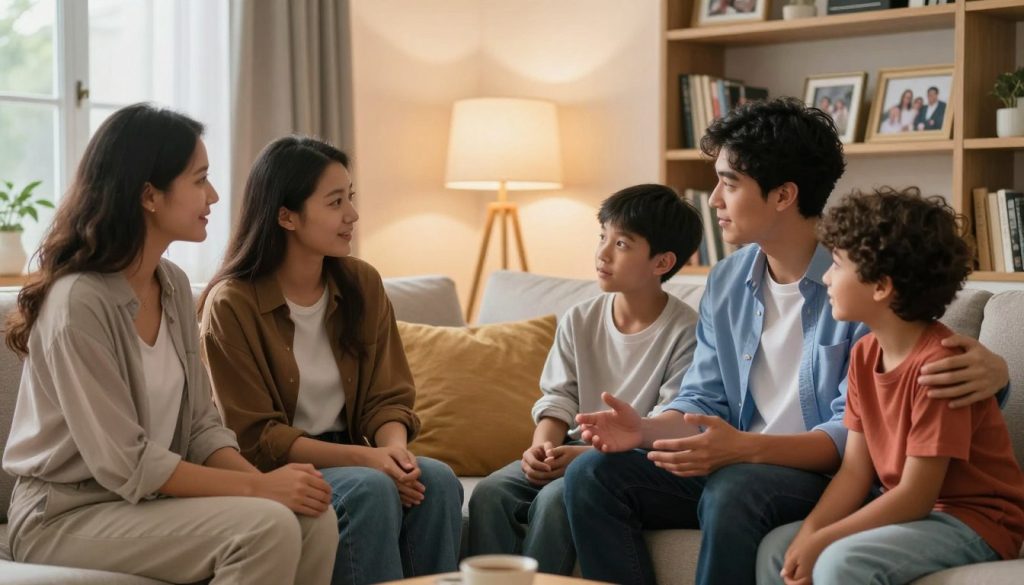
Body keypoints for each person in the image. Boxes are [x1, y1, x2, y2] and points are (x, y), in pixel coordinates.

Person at [562, 98, 1012, 585]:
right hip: (737, 461)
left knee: (736, 487)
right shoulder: (727, 281)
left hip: (811, 478)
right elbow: (704, 397)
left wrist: (745, 449)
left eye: (730, 183)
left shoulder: (864, 283)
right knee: (593, 475)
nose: (713, 200)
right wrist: (644, 430)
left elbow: (862, 434)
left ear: (783, 195)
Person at [2, 104, 336, 585]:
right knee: (266, 526)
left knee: (312, 518)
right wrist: (259, 489)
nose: (214, 195)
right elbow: (127, 462)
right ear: (149, 195)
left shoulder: (174, 285)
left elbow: (201, 426)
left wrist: (267, 485)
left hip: (146, 504)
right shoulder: (78, 302)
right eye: (200, 180)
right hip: (63, 515)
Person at [199, 136, 463, 585]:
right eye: (335, 202)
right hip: (279, 469)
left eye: (350, 198)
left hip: (356, 452)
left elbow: (388, 397)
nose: (352, 215)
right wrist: (368, 459)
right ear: (286, 216)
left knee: (434, 480)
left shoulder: (362, 283)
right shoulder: (231, 304)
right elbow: (257, 436)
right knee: (370, 487)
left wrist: (395, 452)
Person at [756, 187, 1024, 585]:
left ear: (881, 286)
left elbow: (916, 495)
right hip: (916, 513)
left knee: (839, 562)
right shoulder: (864, 355)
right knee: (777, 547)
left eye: (837, 265)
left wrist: (824, 540)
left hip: (973, 520)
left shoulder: (940, 367)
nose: (826, 277)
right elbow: (854, 472)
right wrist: (810, 532)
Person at [467, 184, 703, 574]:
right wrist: (541, 448)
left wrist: (583, 457)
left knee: (555, 500)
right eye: (602, 237)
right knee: (491, 493)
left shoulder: (687, 331)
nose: (602, 253)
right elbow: (558, 399)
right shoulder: (580, 318)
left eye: (621, 244)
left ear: (662, 262)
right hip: (570, 450)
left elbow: (667, 425)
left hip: (628, 463)